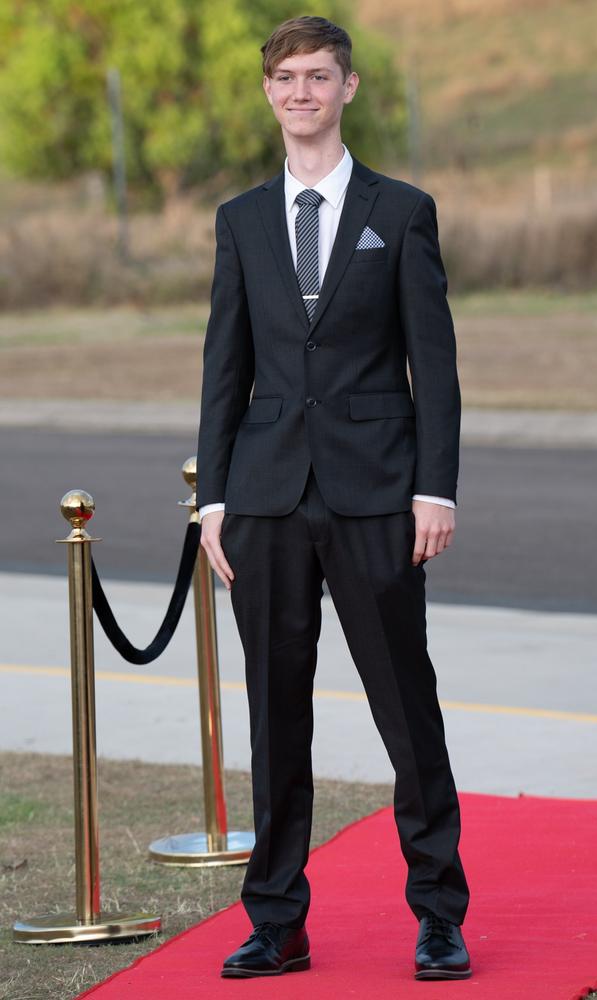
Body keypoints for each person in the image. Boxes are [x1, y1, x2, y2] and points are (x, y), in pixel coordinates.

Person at [196, 15, 471, 982]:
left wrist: (435, 488)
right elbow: (223, 368)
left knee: (408, 709)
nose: (302, 92)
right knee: (276, 718)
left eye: (319, 76)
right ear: (268, 93)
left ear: (348, 88)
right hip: (266, 501)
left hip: (377, 499)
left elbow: (432, 368)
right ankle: (277, 921)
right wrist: (214, 498)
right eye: (286, 78)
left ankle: (440, 914)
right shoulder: (239, 220)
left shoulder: (401, 212)